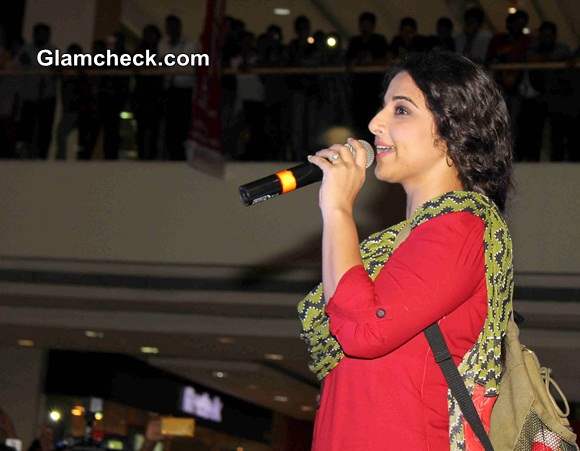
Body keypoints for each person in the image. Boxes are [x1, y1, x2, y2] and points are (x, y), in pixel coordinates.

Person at [298, 51, 514, 450]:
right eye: (384, 108)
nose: (374, 124)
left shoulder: (461, 228)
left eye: (400, 110)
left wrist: (338, 209)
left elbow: (364, 330)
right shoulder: (400, 242)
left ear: (453, 129)